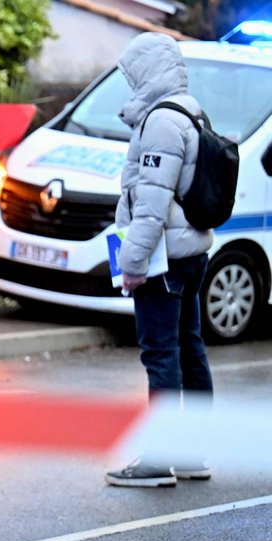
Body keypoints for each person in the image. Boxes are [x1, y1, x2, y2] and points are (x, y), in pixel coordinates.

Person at [105, 33, 213, 488]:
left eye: (133, 74)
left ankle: (158, 460)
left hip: (163, 259)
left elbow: (150, 205)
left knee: (162, 354)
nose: (129, 83)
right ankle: (193, 453)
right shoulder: (192, 111)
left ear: (148, 72)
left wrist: (131, 263)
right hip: (192, 253)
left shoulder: (162, 123)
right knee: (190, 350)